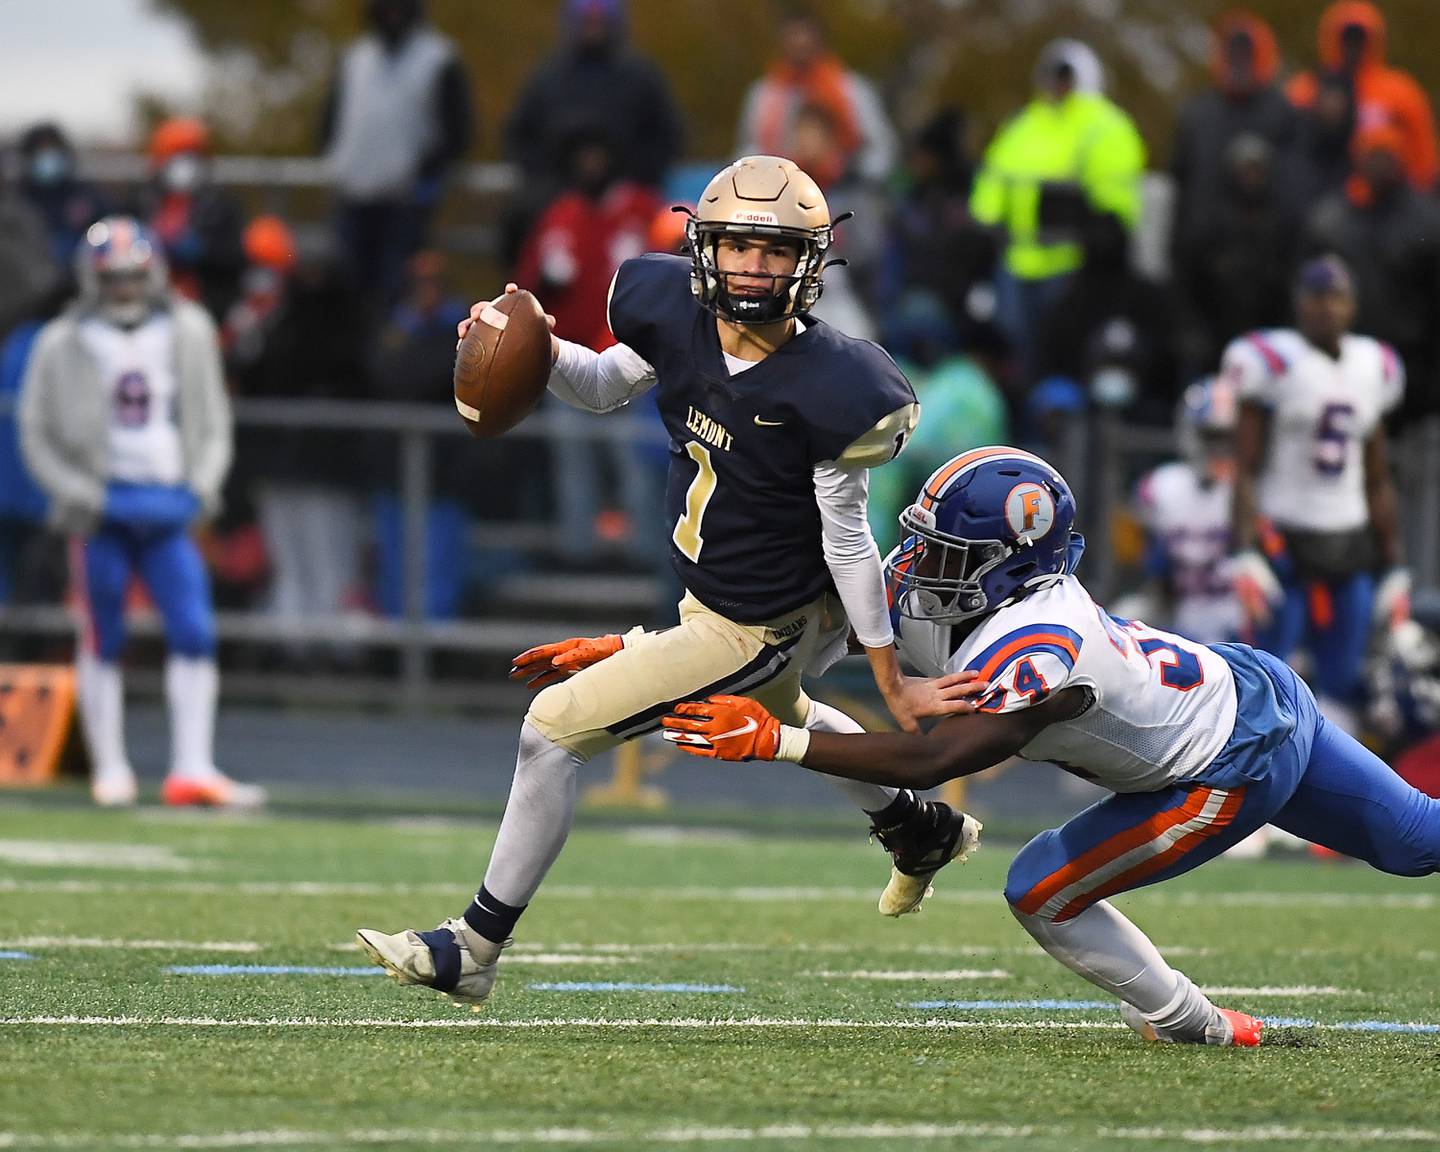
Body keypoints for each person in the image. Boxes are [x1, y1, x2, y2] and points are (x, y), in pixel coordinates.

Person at [356, 156, 986, 1006]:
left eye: (774, 253)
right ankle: (920, 827)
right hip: (719, 601)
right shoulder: (675, 317)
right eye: (737, 248)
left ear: (810, 263)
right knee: (784, 710)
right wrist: (532, 343)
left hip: (762, 622)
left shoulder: (840, 384)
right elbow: (605, 385)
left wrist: (892, 680)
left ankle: (474, 946)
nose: (753, 270)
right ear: (705, 248)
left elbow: (848, 542)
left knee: (549, 733)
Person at [661, 446, 1440, 1048]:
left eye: (950, 554)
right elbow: (788, 639)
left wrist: (780, 742)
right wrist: (638, 653)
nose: (921, 564)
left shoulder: (1042, 644)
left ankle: (1187, 1019)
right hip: (1256, 689)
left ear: (1013, 566)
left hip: (1225, 768)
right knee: (1417, 842)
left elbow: (936, 760)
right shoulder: (947, 589)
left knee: (1039, 888)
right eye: (925, 544)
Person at [18, 217, 261, 809]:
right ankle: (111, 766)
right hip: (101, 503)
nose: (125, 288)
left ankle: (192, 766)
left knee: (194, 631)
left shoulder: (185, 328)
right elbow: (35, 428)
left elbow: (212, 418)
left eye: (133, 276)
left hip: (167, 499)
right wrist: (74, 491)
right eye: (114, 278)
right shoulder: (62, 340)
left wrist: (200, 484)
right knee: (102, 633)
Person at [1223, 255, 1408, 736]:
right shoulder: (1274, 361)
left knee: (1343, 681)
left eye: (1337, 297)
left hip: (1350, 540)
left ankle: (1323, 796)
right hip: (1284, 538)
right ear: (1299, 302)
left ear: (1353, 305)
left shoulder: (1374, 365)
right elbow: (1245, 465)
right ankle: (1257, 795)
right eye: (1316, 296)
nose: (1326, 307)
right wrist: (1244, 549)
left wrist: (1394, 562)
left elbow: (1377, 474)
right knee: (1271, 676)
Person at [969, 40, 1145, 375]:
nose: (1059, 83)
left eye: (1066, 75)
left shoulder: (1104, 125)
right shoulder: (1023, 124)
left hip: (1070, 266)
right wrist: (984, 222)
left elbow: (1114, 194)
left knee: (1060, 357)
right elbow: (994, 180)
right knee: (1014, 358)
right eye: (1054, 74)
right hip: (1016, 264)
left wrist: (1104, 228)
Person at [502, 0, 681, 266]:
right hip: (557, 191)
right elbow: (520, 135)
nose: (593, 29)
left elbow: (667, 135)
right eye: (587, 21)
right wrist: (551, 183)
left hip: (627, 193)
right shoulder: (549, 78)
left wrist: (633, 182)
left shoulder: (640, 78)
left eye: (600, 22)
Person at [321, 0, 473, 309]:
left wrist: (426, 175)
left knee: (396, 295)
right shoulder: (356, 57)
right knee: (348, 290)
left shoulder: (438, 58)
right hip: (353, 198)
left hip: (405, 203)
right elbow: (330, 121)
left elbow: (458, 131)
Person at [1303, 125, 1440, 422]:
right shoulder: (1331, 220)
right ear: (1358, 159)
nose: (1379, 164)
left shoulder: (1427, 222)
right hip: (1344, 364)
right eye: (1372, 155)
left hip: (1412, 368)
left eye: (1386, 155)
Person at [1170, 10, 1299, 264]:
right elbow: (1180, 182)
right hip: (1203, 252)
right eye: (1233, 54)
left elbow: (1291, 184)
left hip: (1265, 255)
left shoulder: (1281, 112)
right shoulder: (1199, 113)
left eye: (1247, 55)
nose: (1239, 63)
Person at [1132, 376, 1242, 645]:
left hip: (1243, 630)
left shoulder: (1252, 491)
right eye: (1212, 435)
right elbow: (1151, 569)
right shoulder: (1161, 487)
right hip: (1181, 626)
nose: (1220, 447)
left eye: (1228, 437)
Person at [736, 8, 897, 188]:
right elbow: (747, 149)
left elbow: (882, 149)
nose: (800, 46)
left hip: (844, 190)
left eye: (805, 41)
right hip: (778, 191)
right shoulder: (764, 94)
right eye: (793, 40)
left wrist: (853, 172)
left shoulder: (851, 89)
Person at [1287, 1, 1438, 191]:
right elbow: (1292, 149)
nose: (1352, 47)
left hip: (1389, 198)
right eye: (1346, 39)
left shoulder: (1400, 91)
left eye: (1359, 39)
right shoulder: (1307, 89)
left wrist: (1421, 193)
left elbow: (1423, 153)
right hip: (1324, 194)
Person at [139, 118, 247, 323]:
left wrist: (204, 251)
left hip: (206, 305)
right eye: (176, 156)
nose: (184, 163)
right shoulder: (143, 202)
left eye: (192, 155)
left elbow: (235, 259)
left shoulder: (221, 206)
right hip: (150, 307)